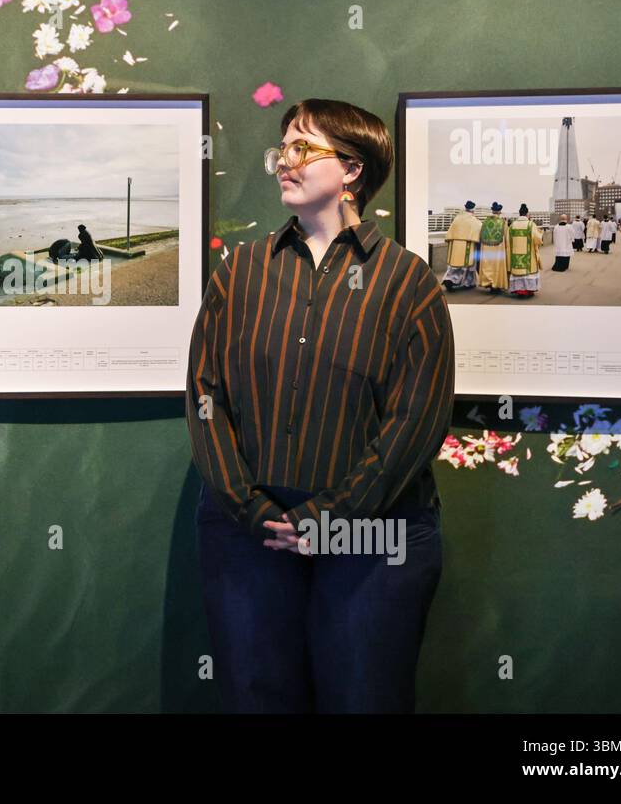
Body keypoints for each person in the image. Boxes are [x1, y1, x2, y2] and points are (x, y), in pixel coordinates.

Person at [187, 97, 454, 713]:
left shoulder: (409, 282)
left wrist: (330, 515)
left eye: (303, 147)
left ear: (353, 169)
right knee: (256, 700)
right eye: (282, 148)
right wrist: (250, 509)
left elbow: (417, 421)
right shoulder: (240, 270)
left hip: (374, 533)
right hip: (247, 532)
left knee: (365, 700)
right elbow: (205, 392)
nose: (286, 160)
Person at [441, 200, 480, 290]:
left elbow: (451, 231)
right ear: (473, 210)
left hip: (455, 245)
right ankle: (468, 283)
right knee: (469, 265)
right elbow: (480, 230)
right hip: (468, 244)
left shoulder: (457, 218)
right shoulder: (474, 220)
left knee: (454, 264)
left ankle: (449, 279)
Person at [507, 203, 544, 296]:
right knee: (528, 273)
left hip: (515, 255)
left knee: (518, 272)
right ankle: (528, 289)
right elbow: (537, 239)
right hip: (529, 255)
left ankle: (518, 290)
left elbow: (508, 241)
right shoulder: (531, 225)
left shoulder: (512, 225)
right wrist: (541, 234)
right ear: (527, 214)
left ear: (519, 214)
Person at [477, 202, 509, 292]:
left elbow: (480, 235)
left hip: (487, 248)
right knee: (497, 266)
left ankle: (489, 282)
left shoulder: (485, 222)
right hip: (498, 248)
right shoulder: (502, 222)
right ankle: (496, 284)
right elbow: (506, 236)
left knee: (488, 265)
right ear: (499, 212)